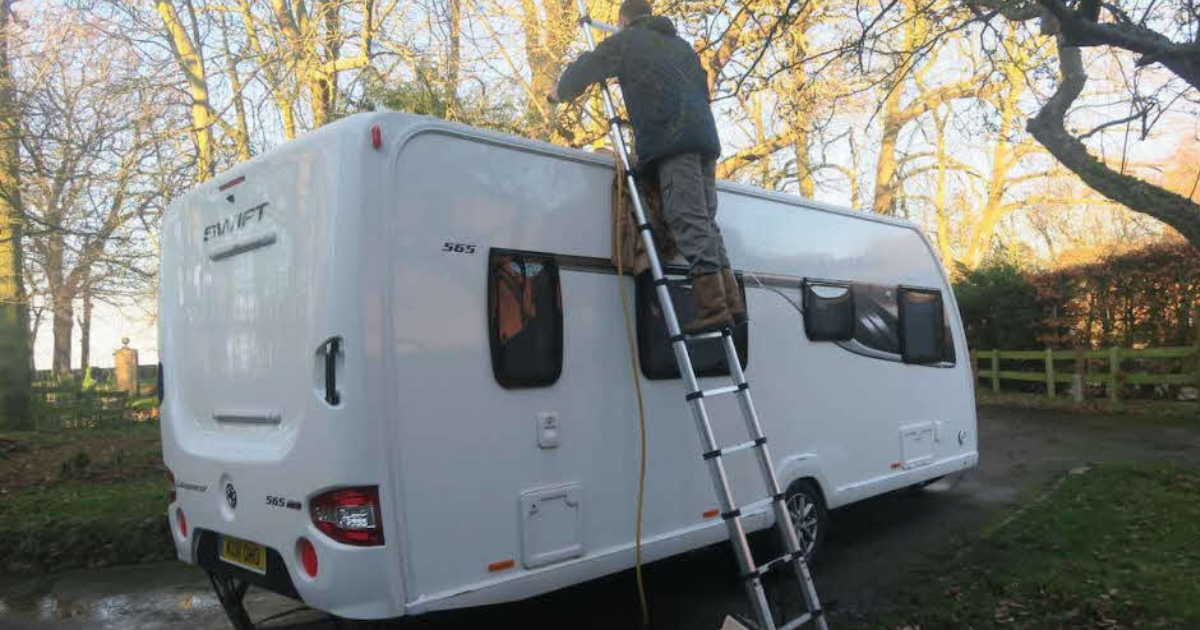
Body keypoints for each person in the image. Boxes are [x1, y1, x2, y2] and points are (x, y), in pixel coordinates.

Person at [548, 0, 744, 334]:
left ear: (623, 20)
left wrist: (558, 92)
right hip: (705, 142)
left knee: (686, 218)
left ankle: (713, 308)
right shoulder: (682, 47)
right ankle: (731, 302)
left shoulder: (628, 40)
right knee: (706, 222)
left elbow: (588, 65)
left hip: (672, 143)